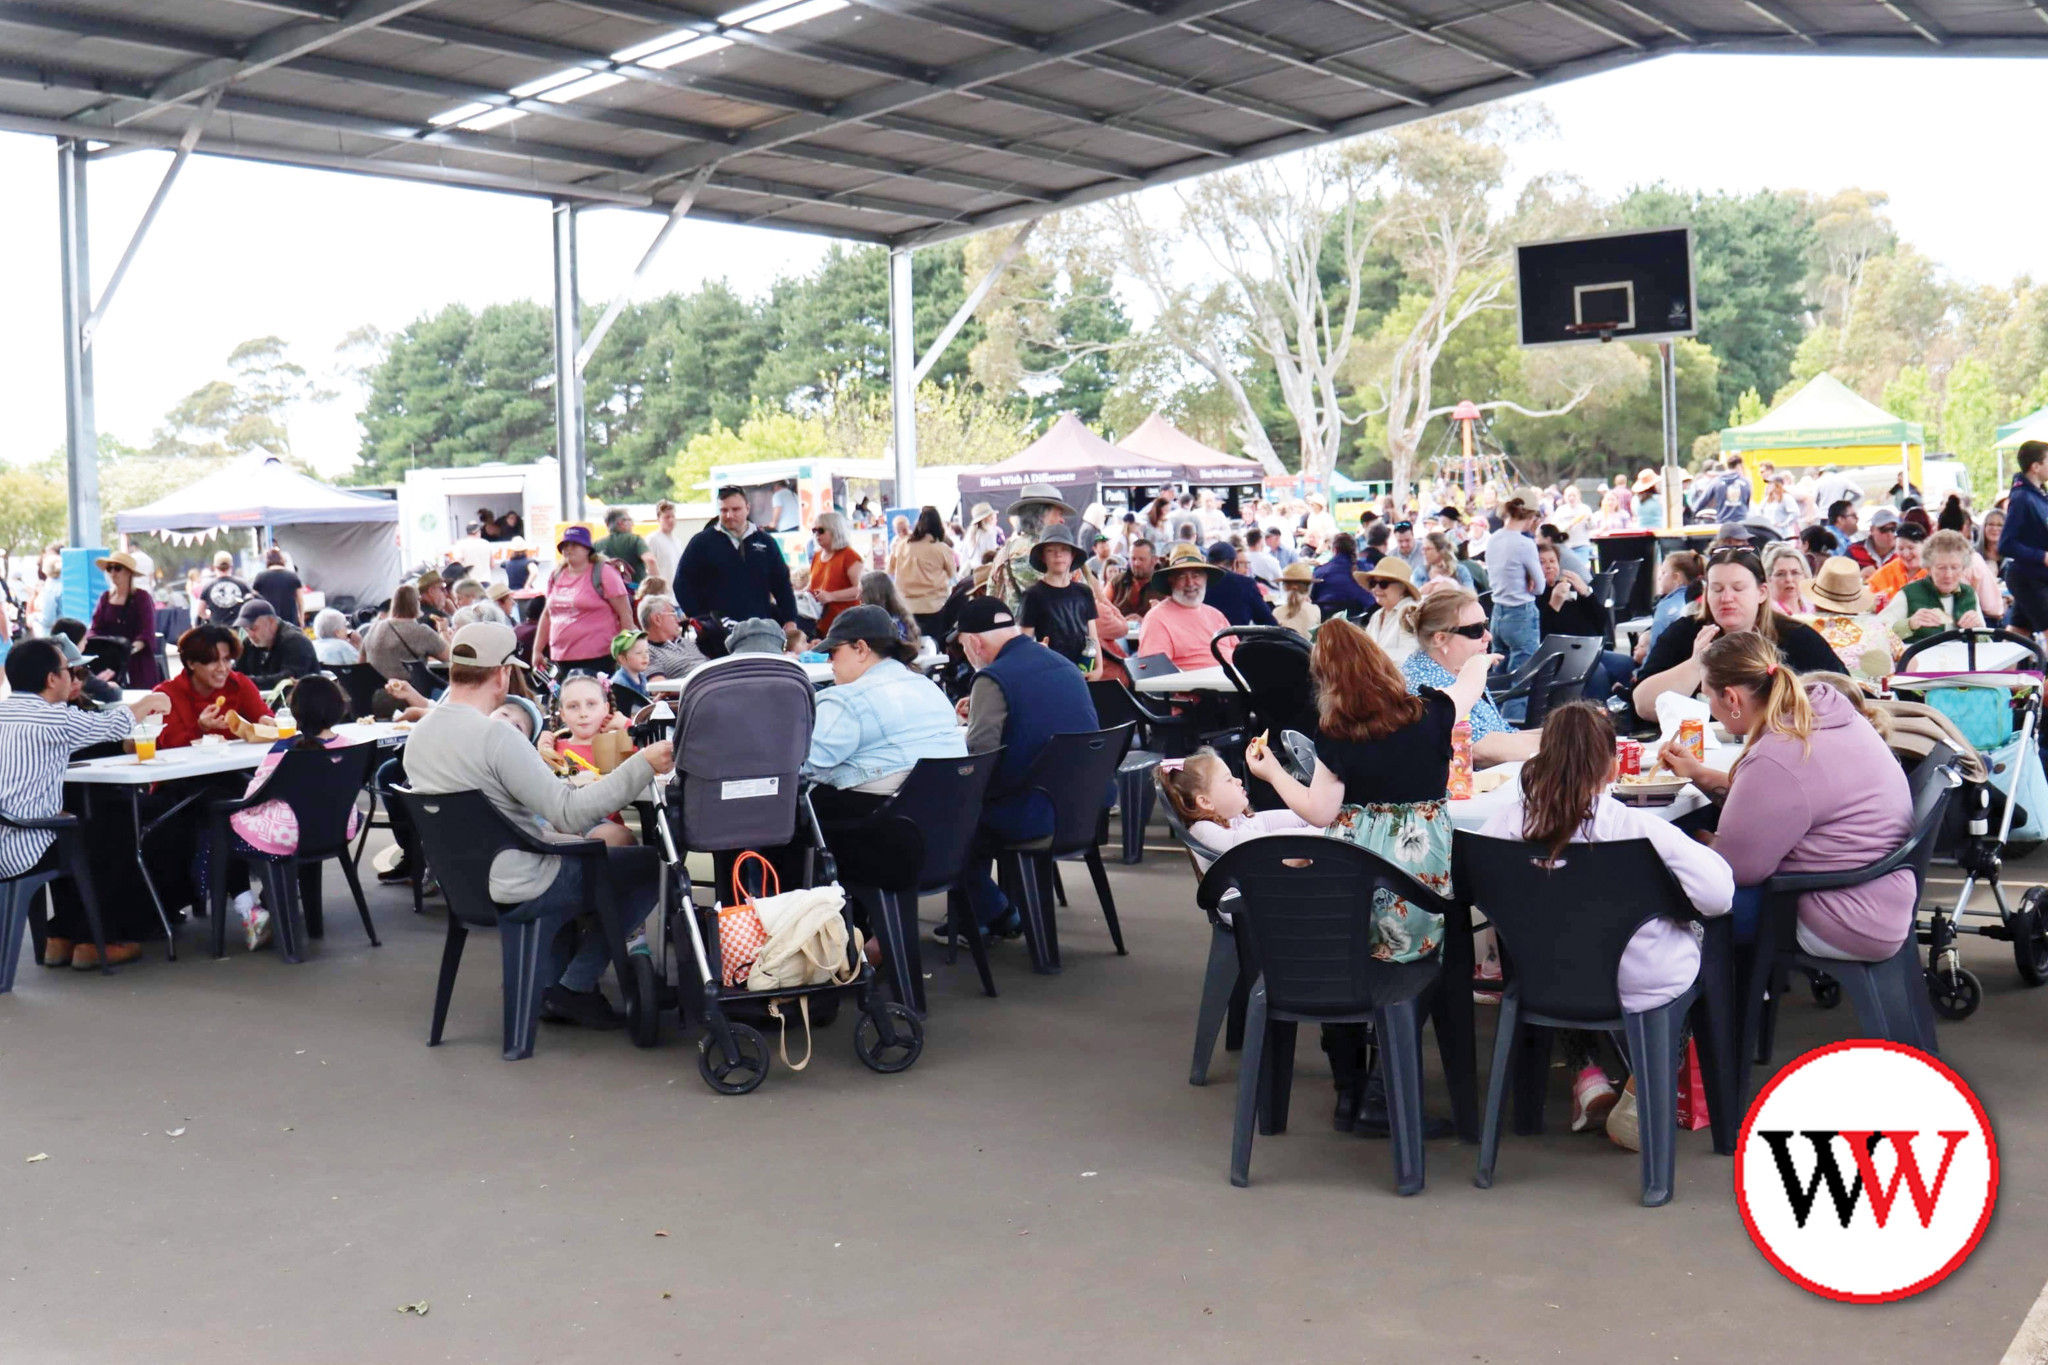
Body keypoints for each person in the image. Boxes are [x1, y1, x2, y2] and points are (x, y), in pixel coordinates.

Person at [1244, 617, 1492, 1135]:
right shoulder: (1431, 713)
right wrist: (1479, 660)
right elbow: (1468, 687)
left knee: (1350, 959)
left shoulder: (1334, 735)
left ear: (1327, 683)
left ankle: (1348, 1090)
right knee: (1423, 963)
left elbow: (1317, 811)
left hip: (1352, 880)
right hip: (1417, 875)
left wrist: (1270, 773)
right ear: (1381, 663)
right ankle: (1384, 1088)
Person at [1478, 701, 1734, 1135]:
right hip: (1639, 983)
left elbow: (1476, 891)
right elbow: (1718, 897)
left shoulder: (1502, 826)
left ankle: (1588, 1074)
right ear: (1615, 769)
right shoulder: (1642, 831)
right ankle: (1639, 1095)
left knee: (1563, 937)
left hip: (1542, 980)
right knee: (1698, 946)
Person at [406, 623, 675, 1028]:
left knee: (582, 857)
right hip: (521, 881)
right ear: (501, 675)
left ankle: (557, 982)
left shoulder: (419, 736)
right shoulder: (496, 736)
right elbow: (569, 812)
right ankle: (576, 984)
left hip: (464, 886)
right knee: (650, 865)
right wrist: (644, 763)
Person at [1660, 631, 1915, 963]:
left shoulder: (1778, 753)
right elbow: (1779, 801)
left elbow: (1735, 870)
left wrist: (1690, 842)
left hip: (1844, 917)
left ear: (1732, 699)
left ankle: (1717, 1010)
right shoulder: (1824, 713)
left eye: (1707, 696)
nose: (1708, 706)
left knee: (1672, 899)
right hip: (1879, 897)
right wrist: (1700, 774)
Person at [0, 639, 173, 970]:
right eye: (69, 670)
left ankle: (62, 936)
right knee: (116, 833)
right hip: (26, 845)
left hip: (8, 833)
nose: (73, 676)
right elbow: (111, 727)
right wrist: (149, 701)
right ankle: (99, 941)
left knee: (88, 826)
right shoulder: (50, 718)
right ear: (52, 679)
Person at [199, 675, 362, 949]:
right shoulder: (351, 746)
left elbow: (253, 795)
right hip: (336, 829)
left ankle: (249, 909)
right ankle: (273, 899)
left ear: (294, 712)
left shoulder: (285, 749)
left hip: (289, 836)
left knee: (218, 825)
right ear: (340, 707)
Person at [1633, 547, 1846, 719]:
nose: (1726, 598)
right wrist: (1696, 663)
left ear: (1761, 593)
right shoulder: (1685, 632)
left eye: (1738, 588)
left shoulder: (1796, 637)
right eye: (1717, 589)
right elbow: (1642, 705)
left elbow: (1846, 694)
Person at [801, 606, 967, 823]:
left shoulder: (849, 700)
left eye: (833, 651)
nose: (830, 661)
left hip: (874, 832)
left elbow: (801, 765)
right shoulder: (929, 687)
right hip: (944, 825)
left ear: (861, 648)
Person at [1396, 589, 1540, 766]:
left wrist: (1565, 733)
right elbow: (1479, 748)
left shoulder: (1457, 668)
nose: (1488, 636)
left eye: (1486, 625)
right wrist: (1567, 743)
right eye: (1476, 630)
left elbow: (1505, 733)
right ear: (1440, 638)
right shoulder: (1426, 685)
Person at [676, 486, 801, 648]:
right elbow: (682, 583)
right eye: (724, 510)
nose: (729, 515)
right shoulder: (702, 542)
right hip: (718, 634)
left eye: (736, 509)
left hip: (760, 630)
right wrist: (702, 618)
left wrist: (790, 619)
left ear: (747, 508)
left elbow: (782, 584)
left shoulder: (765, 542)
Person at [1156, 752, 1313, 855]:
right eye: (1228, 780)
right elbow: (1266, 842)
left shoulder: (1235, 818)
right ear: (1205, 801)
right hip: (1253, 900)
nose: (1238, 781)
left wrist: (1322, 819)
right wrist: (1324, 835)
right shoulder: (1204, 832)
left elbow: (1290, 818)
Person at [534, 525, 636, 679]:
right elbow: (547, 615)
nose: (568, 549)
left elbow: (625, 613)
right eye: (565, 546)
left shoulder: (603, 572)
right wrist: (537, 650)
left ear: (587, 548)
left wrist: (626, 650)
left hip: (599, 658)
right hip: (561, 659)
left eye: (574, 545)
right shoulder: (557, 574)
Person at [154, 623, 274, 749]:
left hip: (242, 765)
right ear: (191, 664)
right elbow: (168, 746)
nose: (222, 668)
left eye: (227, 660)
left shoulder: (239, 684)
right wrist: (200, 727)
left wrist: (266, 722)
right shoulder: (166, 695)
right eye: (213, 661)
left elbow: (264, 717)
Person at [1136, 544, 1236, 671]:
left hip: (1237, 686)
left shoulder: (1216, 615)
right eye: (1182, 576)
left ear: (1206, 578)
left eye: (1196, 575)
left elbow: (1240, 655)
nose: (1190, 583)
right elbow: (1154, 673)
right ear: (1170, 581)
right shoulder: (1156, 619)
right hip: (1195, 689)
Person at [1879, 528, 1985, 645]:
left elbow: (1987, 643)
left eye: (1955, 567)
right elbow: (1877, 631)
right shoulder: (1909, 593)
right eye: (1941, 568)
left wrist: (1978, 630)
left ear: (1964, 568)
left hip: (1963, 661)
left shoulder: (1969, 594)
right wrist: (1910, 624)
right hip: (1920, 661)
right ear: (1928, 568)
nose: (1948, 575)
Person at [1799, 557, 1895, 680]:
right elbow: (1908, 659)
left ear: (1815, 601)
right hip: (1873, 697)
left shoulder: (1794, 625)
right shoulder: (1879, 627)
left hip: (1810, 695)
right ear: (1857, 601)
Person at [987, 483, 1073, 615]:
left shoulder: (1006, 550)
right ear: (1039, 515)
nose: (1062, 520)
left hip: (1009, 631)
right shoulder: (1038, 552)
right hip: (1043, 632)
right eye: (1058, 514)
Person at [1484, 496, 1544, 678]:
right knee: (1520, 682)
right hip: (1521, 612)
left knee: (1499, 678)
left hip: (1498, 612)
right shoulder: (1524, 544)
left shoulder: (1493, 539)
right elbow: (1540, 586)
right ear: (1531, 518)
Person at [85, 551, 159, 689]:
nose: (113, 572)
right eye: (109, 568)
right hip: (108, 662)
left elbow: (146, 631)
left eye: (117, 568)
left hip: (137, 662)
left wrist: (128, 650)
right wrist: (95, 644)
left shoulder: (142, 597)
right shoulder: (105, 597)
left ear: (129, 573)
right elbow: (95, 627)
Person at [362, 584, 448, 682]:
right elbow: (449, 657)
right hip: (407, 693)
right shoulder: (421, 632)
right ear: (416, 604)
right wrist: (443, 630)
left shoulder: (373, 628)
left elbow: (361, 663)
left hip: (376, 692)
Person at [895, 507, 958, 641]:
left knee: (911, 649)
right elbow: (953, 576)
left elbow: (890, 572)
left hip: (906, 606)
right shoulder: (941, 549)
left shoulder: (901, 546)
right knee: (934, 649)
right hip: (933, 606)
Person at [235, 599, 319, 690]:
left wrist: (244, 681)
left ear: (271, 622)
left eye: (254, 628)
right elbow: (238, 671)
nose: (250, 635)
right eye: (246, 630)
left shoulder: (295, 641)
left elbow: (287, 680)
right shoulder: (249, 643)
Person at [805, 510, 865, 634]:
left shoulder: (850, 556)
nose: (817, 535)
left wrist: (832, 596)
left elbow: (860, 589)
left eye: (821, 530)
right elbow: (814, 586)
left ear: (834, 530)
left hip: (846, 624)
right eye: (814, 531)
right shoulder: (817, 555)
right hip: (821, 625)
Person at [1357, 557, 1421, 664]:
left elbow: (1410, 656)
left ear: (1402, 587)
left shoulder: (1411, 612)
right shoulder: (1377, 615)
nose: (1376, 589)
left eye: (1384, 584)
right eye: (1372, 583)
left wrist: (1370, 656)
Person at [1201, 541, 1277, 629]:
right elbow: (1268, 623)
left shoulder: (1198, 584)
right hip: (1237, 640)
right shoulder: (1247, 584)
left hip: (1203, 640)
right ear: (1234, 564)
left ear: (1207, 563)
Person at [1642, 550, 1704, 656]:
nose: (1660, 577)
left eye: (1664, 573)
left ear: (1676, 577)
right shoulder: (1702, 600)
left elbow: (1655, 648)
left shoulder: (1666, 607)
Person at [1309, 533, 1375, 618]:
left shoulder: (1320, 572)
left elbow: (1312, 599)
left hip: (1325, 624)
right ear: (1355, 549)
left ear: (1334, 550)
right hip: (1361, 624)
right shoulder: (1367, 569)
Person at [1866, 520, 1928, 605]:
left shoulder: (1935, 572)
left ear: (1925, 546)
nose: (1906, 554)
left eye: (1911, 548)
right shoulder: (1884, 574)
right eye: (1901, 549)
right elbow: (1869, 601)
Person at [857, 572, 921, 643]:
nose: (857, 597)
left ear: (873, 596)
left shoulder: (889, 626)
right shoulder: (898, 619)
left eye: (861, 593)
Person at [249, 548, 305, 625]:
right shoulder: (293, 576)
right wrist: (301, 619)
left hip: (268, 622)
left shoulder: (260, 577)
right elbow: (300, 600)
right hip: (290, 621)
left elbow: (254, 600)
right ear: (281, 559)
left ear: (267, 560)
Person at [593, 508, 649, 585]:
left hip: (608, 591)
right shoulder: (635, 540)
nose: (632, 524)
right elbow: (650, 560)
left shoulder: (597, 544)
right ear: (620, 523)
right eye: (629, 520)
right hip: (635, 591)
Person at [199, 550, 252, 624]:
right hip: (238, 628)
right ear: (231, 566)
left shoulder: (208, 586)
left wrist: (209, 616)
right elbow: (252, 605)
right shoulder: (243, 584)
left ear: (215, 567)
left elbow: (201, 611)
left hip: (217, 629)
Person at [1763, 542, 1813, 616]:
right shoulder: (1768, 613)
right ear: (1769, 579)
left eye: (1795, 573)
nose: (1789, 579)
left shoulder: (1812, 606)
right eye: (1781, 574)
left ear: (1805, 576)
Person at [1273, 560, 1320, 639]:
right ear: (1308, 587)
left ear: (1284, 587)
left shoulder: (1277, 612)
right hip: (1307, 651)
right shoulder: (1315, 610)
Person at [1849, 505, 1899, 576]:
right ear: (1872, 530)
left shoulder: (1904, 554)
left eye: (1893, 529)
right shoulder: (1853, 551)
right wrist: (1859, 578)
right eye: (1884, 530)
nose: (1890, 534)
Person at [645, 499, 684, 586]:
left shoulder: (677, 542)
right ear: (659, 519)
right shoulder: (652, 540)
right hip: (661, 594)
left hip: (676, 594)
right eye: (667, 517)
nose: (671, 520)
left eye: (673, 516)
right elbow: (647, 569)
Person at [609, 630, 654, 695]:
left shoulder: (642, 677)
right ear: (622, 659)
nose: (645, 656)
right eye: (638, 653)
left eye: (647, 651)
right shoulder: (620, 684)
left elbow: (645, 703)